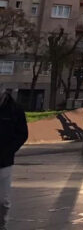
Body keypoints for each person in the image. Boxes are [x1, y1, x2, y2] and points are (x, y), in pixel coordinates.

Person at [0, 90, 28, 230]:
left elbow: (22, 134)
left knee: (3, 200)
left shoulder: (14, 109)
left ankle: (2, 224)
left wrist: (8, 151)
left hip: (4, 162)